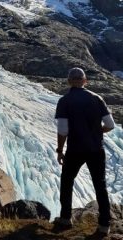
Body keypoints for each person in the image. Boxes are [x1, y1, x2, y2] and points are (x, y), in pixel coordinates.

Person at [53, 67, 115, 236]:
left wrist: (59, 150)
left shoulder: (65, 101)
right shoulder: (97, 98)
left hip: (75, 150)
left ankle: (65, 219)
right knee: (100, 186)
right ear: (85, 81)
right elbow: (110, 125)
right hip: (96, 149)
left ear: (68, 81)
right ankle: (104, 225)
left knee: (67, 181)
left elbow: (63, 130)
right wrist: (95, 131)